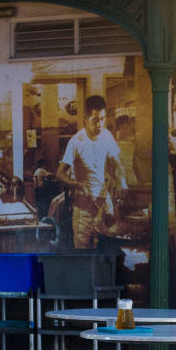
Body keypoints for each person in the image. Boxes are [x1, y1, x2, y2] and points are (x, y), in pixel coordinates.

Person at [56, 94, 127, 249]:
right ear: (85, 118)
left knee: (103, 251)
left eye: (102, 119)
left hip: (104, 205)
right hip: (84, 207)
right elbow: (59, 174)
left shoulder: (107, 136)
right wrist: (79, 185)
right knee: (83, 254)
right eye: (95, 120)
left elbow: (118, 165)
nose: (100, 124)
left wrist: (121, 179)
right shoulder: (76, 142)